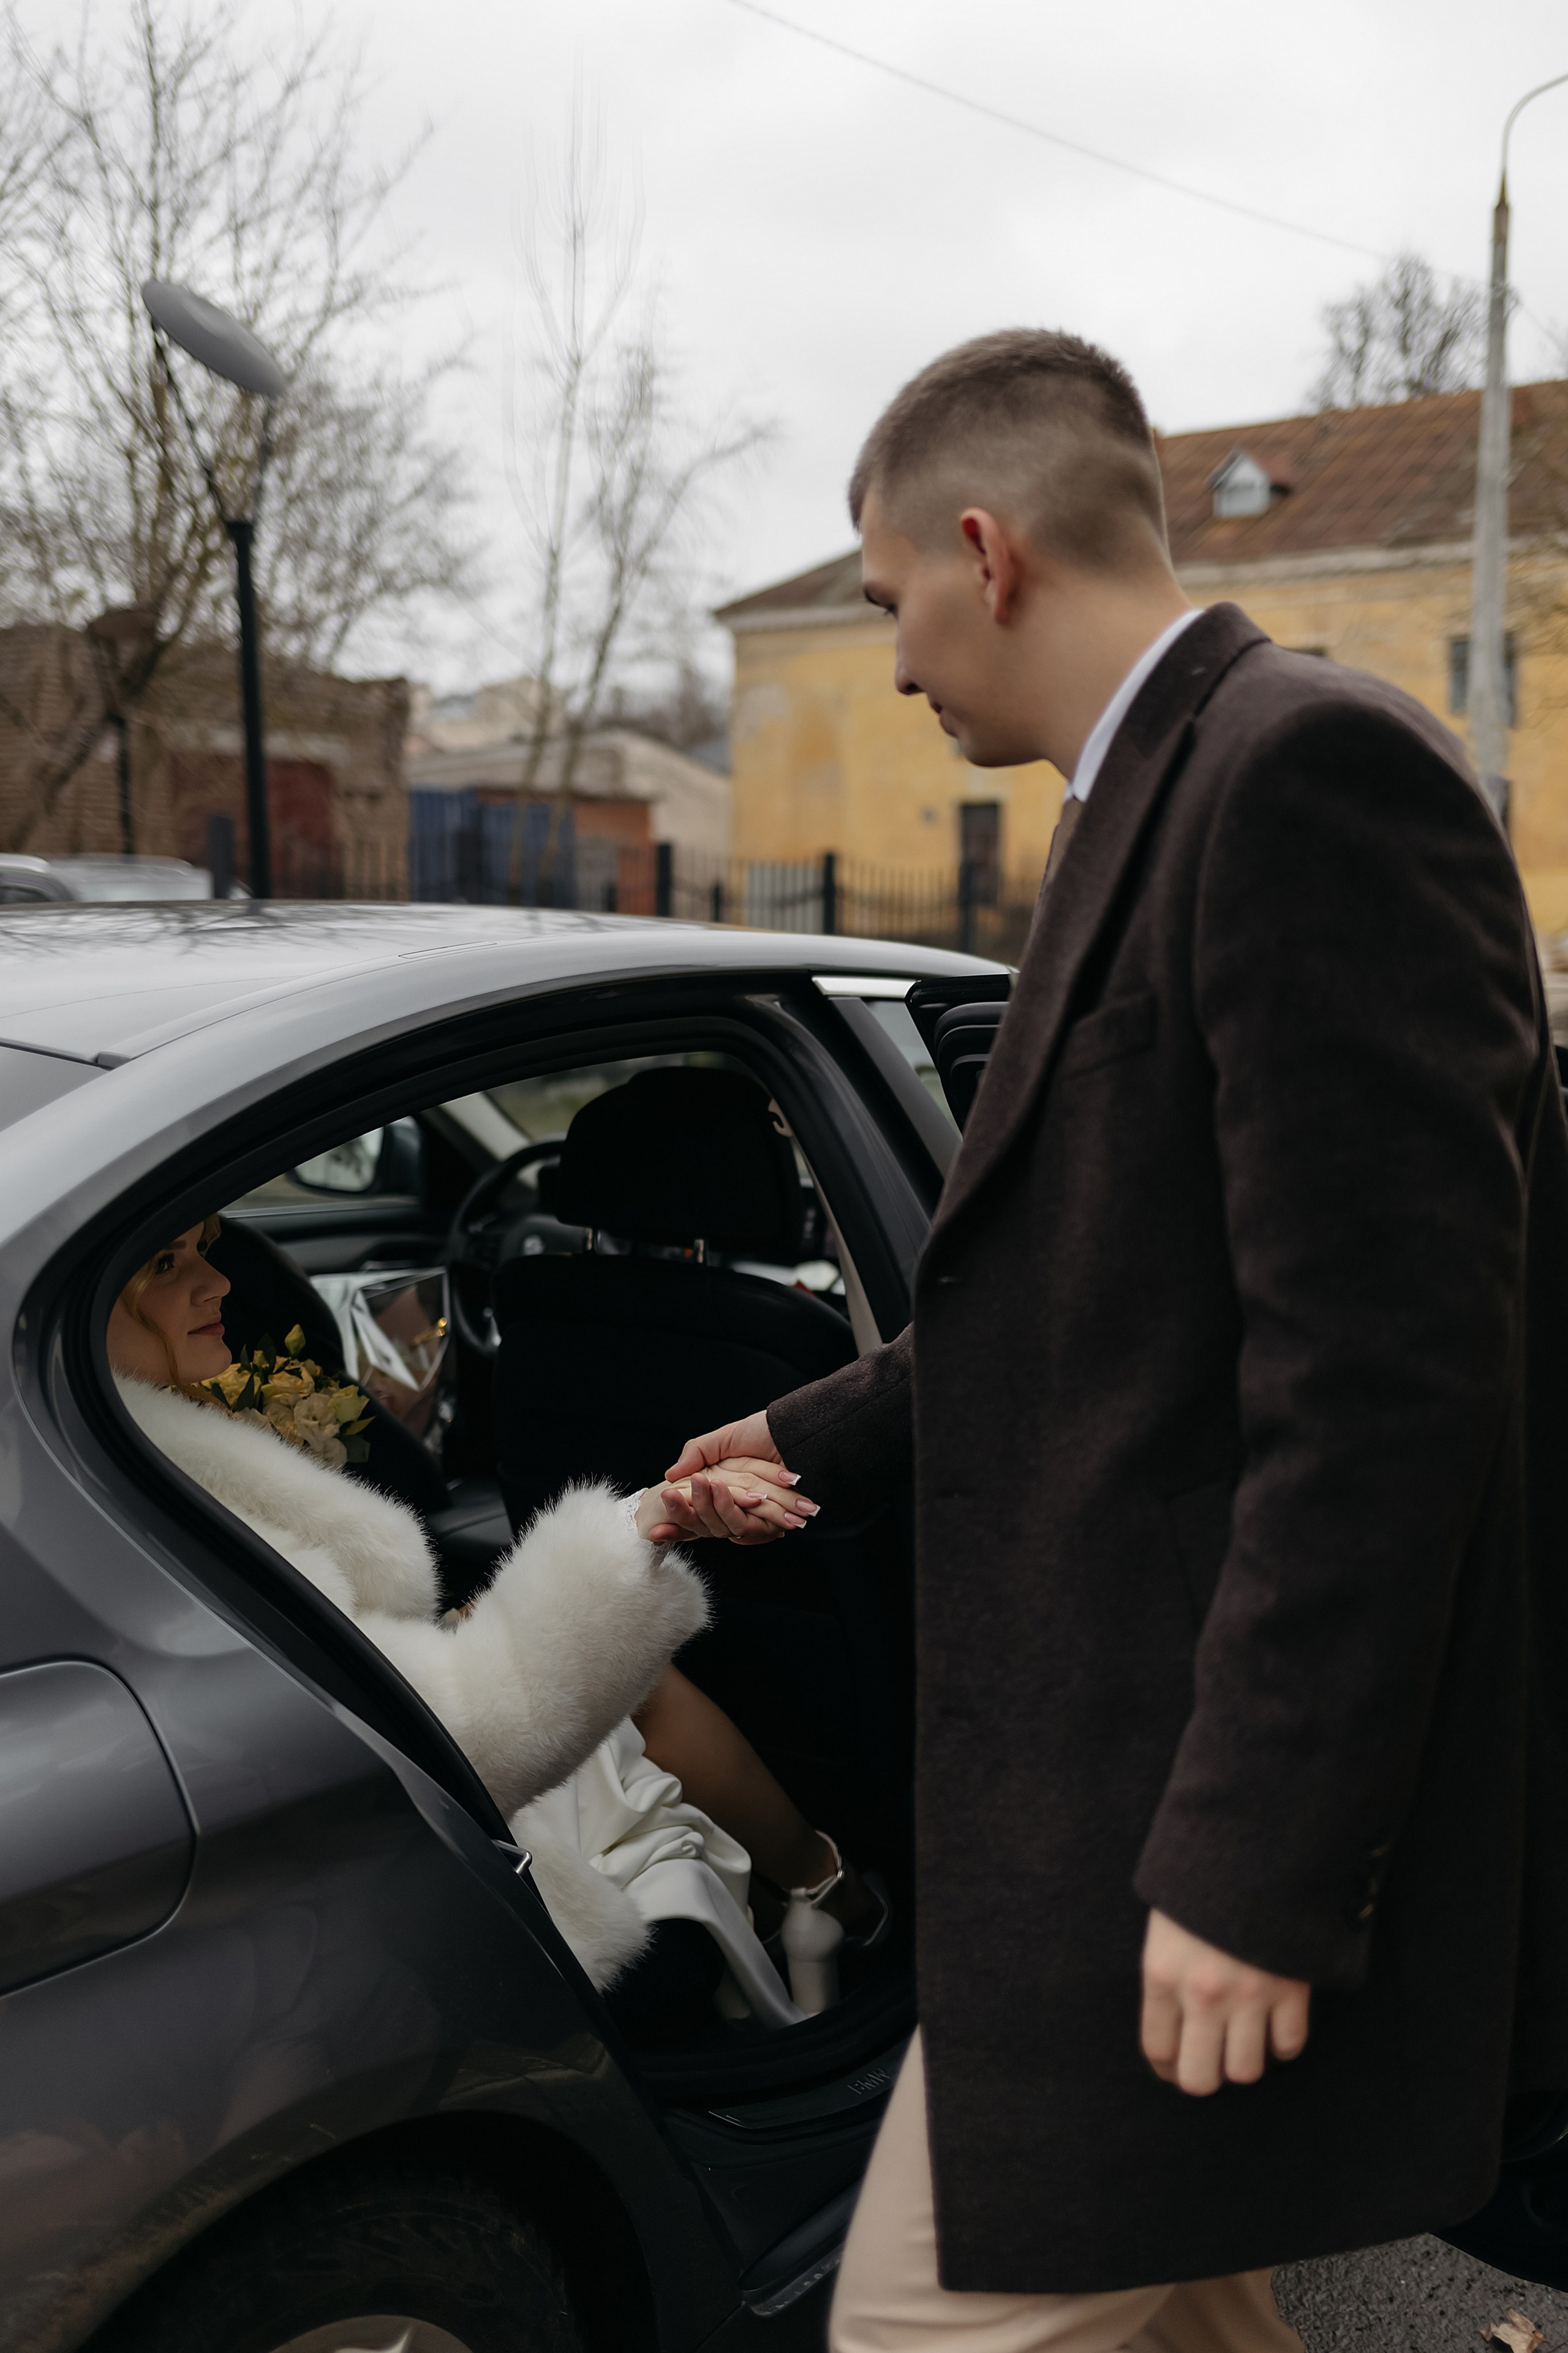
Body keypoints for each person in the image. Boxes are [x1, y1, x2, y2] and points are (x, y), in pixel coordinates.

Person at [663, 328, 1568, 2349]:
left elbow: (1386, 1388)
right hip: (1106, 1804)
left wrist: (1259, 1862)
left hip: (1174, 1813)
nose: (891, 661)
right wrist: (798, 1433)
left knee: (917, 2330)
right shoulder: (1139, 806)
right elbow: (1088, 1293)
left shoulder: (1304, 776)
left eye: (890, 598)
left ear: (985, 550)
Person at [107, 1220, 881, 2023]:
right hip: (378, 1842)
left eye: (204, 1250)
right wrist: (645, 1521)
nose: (219, 1283)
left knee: (631, 1694)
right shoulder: (157, 1480)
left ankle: (820, 1893)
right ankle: (833, 1894)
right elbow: (456, 1731)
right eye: (166, 1262)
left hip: (328, 1805)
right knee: (639, 1694)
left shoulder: (123, 1455)